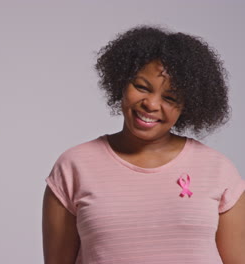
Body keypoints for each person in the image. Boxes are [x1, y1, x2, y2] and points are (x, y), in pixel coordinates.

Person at [42, 25, 245, 264]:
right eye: (141, 87)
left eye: (169, 98)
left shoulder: (217, 169)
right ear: (121, 82)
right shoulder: (73, 166)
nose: (151, 104)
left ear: (188, 105)